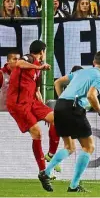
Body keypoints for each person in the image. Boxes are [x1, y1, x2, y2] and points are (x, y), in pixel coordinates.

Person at [39, 51, 100, 192]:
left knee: (69, 147)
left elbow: (57, 82)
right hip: (73, 109)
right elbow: (91, 95)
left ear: (93, 62)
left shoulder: (81, 72)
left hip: (59, 107)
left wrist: (64, 100)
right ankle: (73, 185)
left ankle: (46, 172)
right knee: (89, 147)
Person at [5, 40, 61, 181]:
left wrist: (44, 112)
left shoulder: (37, 68)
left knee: (57, 118)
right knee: (37, 133)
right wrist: (40, 67)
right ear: (42, 52)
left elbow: (36, 91)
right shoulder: (29, 59)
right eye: (45, 52)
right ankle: (43, 171)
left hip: (32, 101)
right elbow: (19, 63)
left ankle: (51, 155)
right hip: (19, 103)